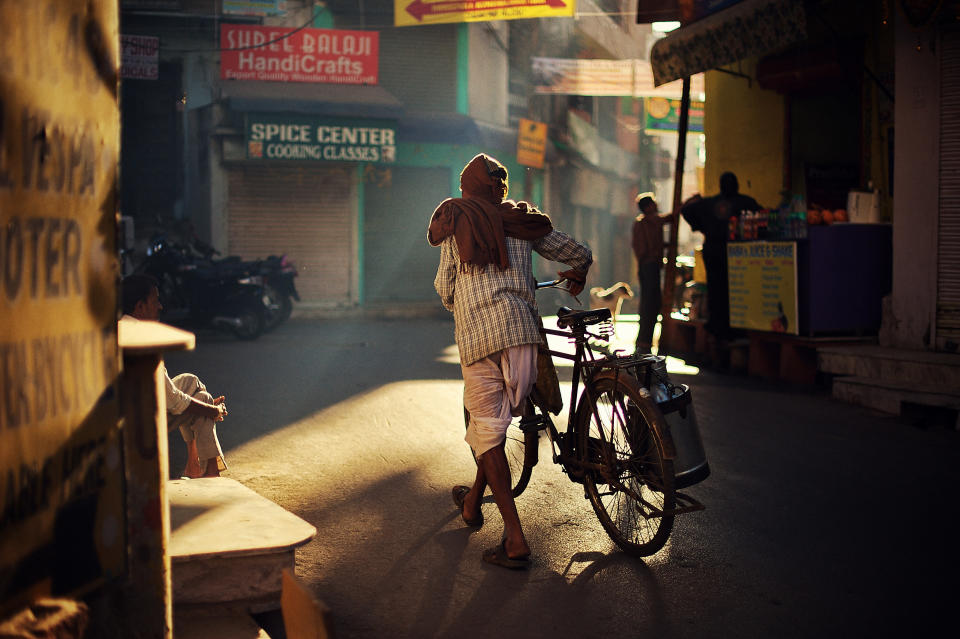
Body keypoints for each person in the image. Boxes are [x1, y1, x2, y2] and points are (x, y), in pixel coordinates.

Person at [428, 153, 592, 569]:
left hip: (479, 339)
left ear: (466, 189)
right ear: (502, 188)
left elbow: (445, 288)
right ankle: (471, 504)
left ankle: (515, 539)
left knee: (487, 433)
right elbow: (576, 251)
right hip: (523, 339)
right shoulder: (522, 221)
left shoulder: (457, 222)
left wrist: (462, 300)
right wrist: (579, 271)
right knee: (494, 433)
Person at [120, 274, 229, 478]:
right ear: (140, 307)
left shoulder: (122, 326)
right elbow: (175, 402)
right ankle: (208, 471)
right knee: (203, 401)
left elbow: (169, 394)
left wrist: (205, 409)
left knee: (190, 381)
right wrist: (212, 410)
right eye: (155, 301)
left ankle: (193, 463)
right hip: (139, 422)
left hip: (136, 406)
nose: (160, 306)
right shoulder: (140, 338)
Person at [680, 172, 761, 347]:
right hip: (737, 254)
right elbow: (763, 217)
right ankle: (732, 330)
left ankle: (717, 330)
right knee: (736, 291)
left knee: (716, 292)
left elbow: (685, 210)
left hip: (713, 252)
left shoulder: (708, 204)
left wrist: (702, 226)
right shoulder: (745, 202)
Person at [631, 192, 671, 354]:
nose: (656, 206)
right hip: (649, 266)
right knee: (651, 304)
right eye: (653, 203)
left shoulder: (642, 222)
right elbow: (668, 218)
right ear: (648, 207)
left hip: (647, 266)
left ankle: (644, 341)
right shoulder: (648, 221)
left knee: (650, 303)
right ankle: (644, 342)